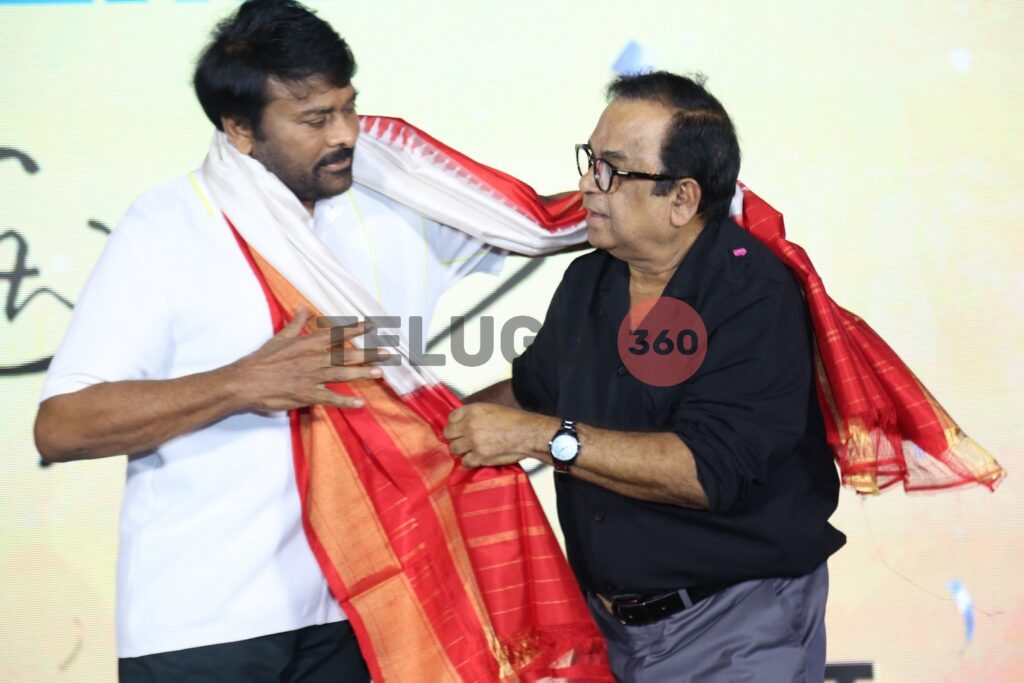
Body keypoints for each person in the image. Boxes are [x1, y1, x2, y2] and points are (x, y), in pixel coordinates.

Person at [32, 1, 510, 679]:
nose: (346, 134)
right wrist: (240, 384)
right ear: (239, 129)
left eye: (349, 107)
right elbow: (62, 427)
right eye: (315, 119)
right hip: (206, 624)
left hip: (368, 608)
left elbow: (548, 227)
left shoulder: (394, 206)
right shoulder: (167, 227)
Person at [444, 71, 847, 682]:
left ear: (682, 199)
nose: (588, 184)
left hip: (736, 623)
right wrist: (429, 429)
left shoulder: (752, 294)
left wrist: (538, 438)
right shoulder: (590, 279)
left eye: (612, 170)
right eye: (589, 161)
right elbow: (531, 395)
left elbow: (706, 471)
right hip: (609, 630)